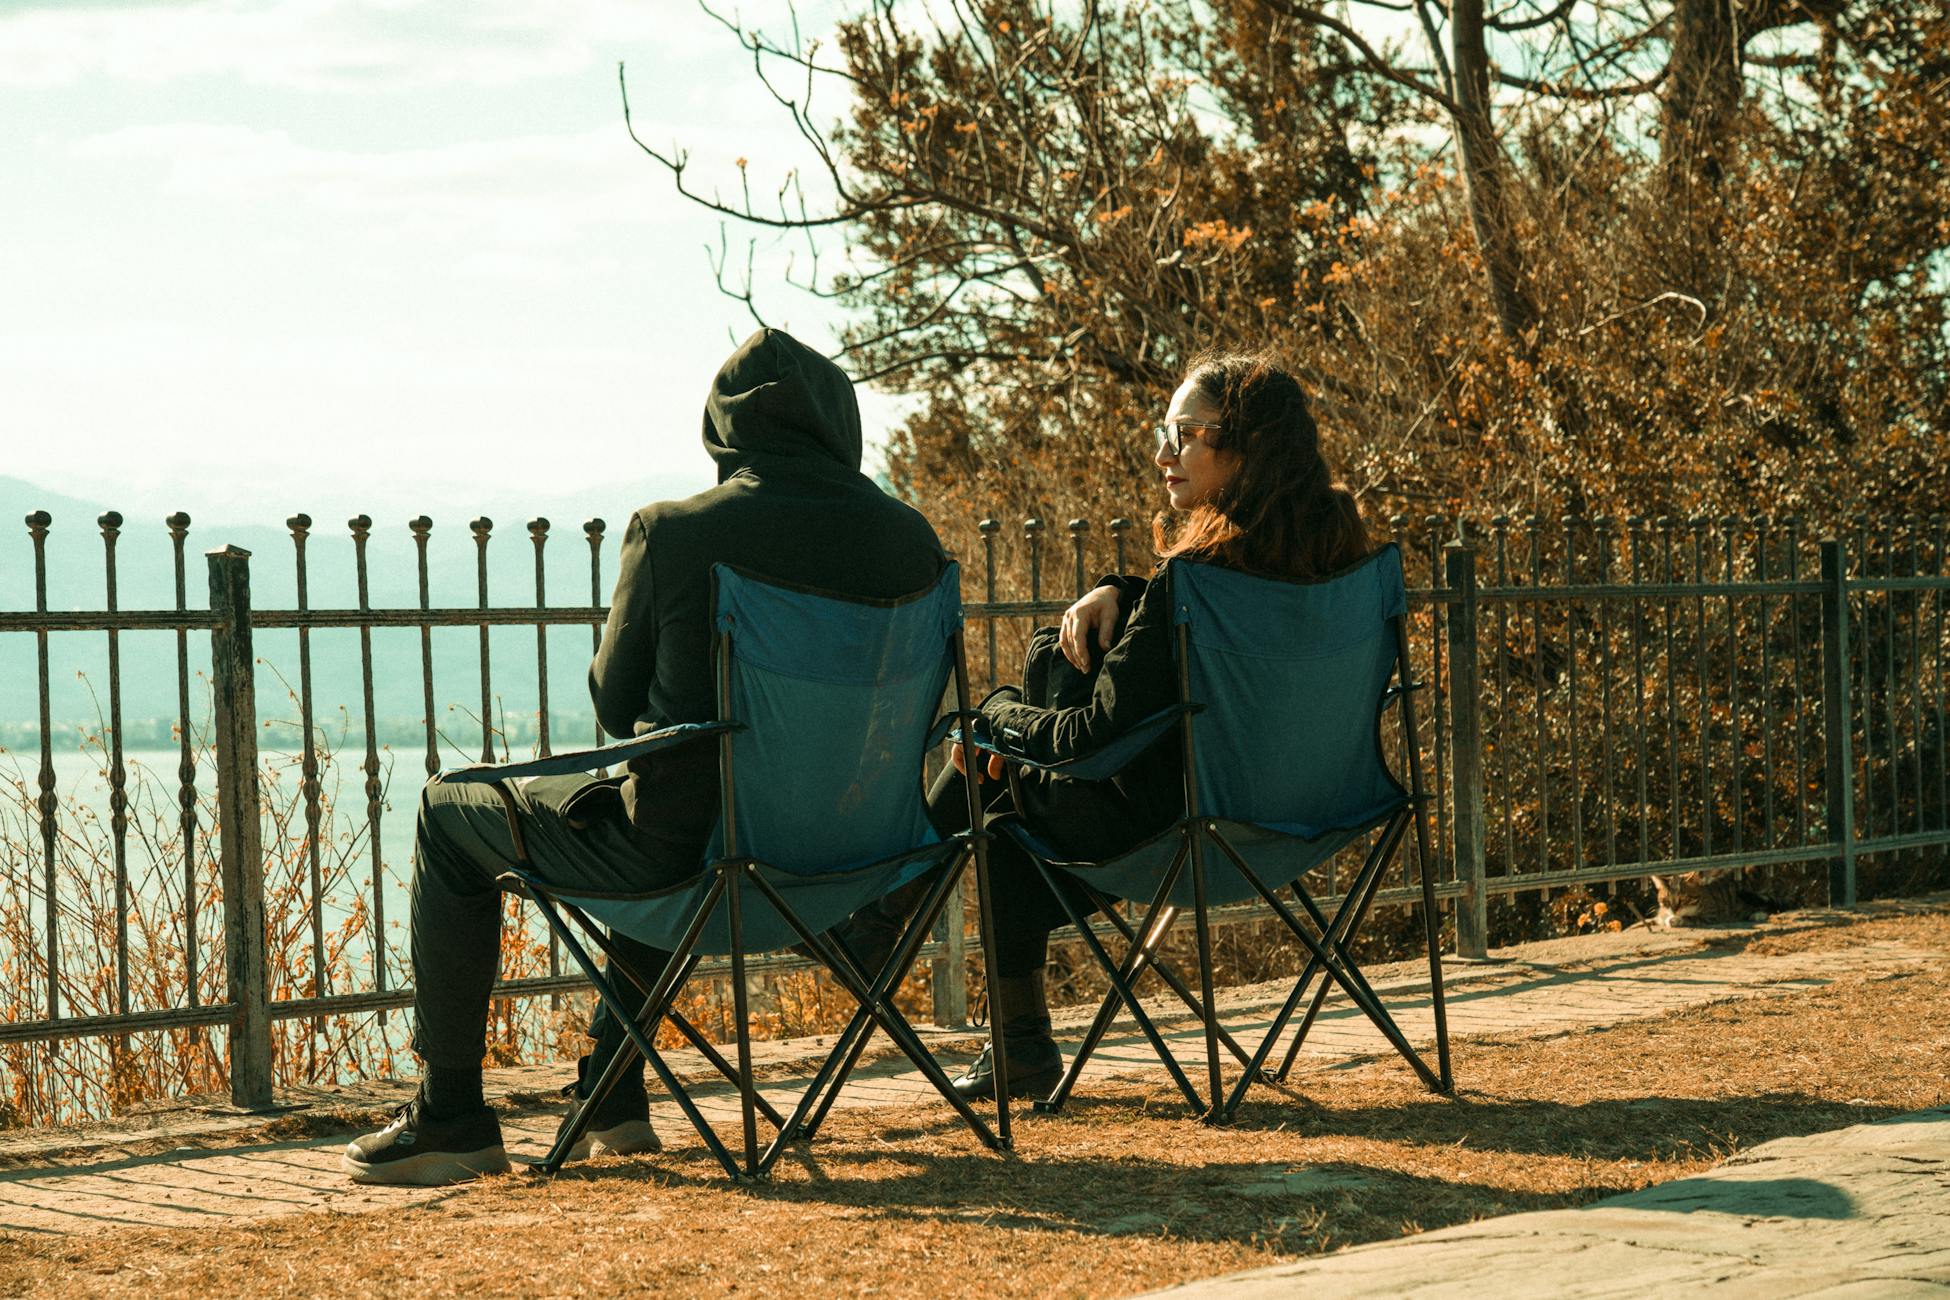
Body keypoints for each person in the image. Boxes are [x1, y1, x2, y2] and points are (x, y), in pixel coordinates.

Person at [344, 328, 946, 1185]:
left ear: (722, 431)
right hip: (858, 867)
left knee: (457, 811)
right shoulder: (913, 543)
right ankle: (615, 1096)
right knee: (689, 798)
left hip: (696, 864)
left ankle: (451, 1117)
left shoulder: (675, 533)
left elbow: (618, 706)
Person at [935, 351, 1372, 1100]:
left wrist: (991, 717)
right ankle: (898, 933)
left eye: (1183, 432)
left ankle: (906, 934)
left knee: (998, 792)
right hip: (1319, 818)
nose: (1162, 452)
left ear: (1240, 444)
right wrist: (1118, 587)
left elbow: (1086, 742)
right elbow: (1195, 605)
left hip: (1183, 832)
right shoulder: (1338, 562)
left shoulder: (1196, 582)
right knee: (1005, 797)